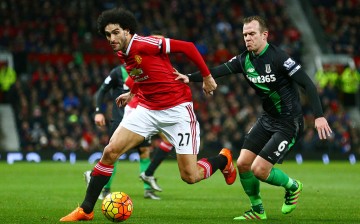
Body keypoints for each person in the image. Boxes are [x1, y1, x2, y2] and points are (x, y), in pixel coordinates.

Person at [60, 7, 236, 222]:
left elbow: (188, 47)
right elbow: (143, 72)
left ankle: (223, 160)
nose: (112, 38)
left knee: (190, 176)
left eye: (116, 32)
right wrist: (131, 92)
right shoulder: (121, 51)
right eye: (107, 35)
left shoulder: (145, 43)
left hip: (177, 110)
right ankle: (86, 210)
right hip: (146, 108)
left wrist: (207, 77)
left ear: (127, 30)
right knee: (110, 151)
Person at [176, 15, 332, 220]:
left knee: (259, 169)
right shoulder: (244, 60)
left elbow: (308, 84)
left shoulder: (280, 58)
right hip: (267, 119)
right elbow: (217, 71)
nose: (247, 38)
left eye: (251, 34)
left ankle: (293, 187)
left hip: (288, 123)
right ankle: (258, 211)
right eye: (244, 35)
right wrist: (191, 77)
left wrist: (319, 116)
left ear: (264, 35)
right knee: (242, 164)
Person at [83, 64, 162, 200]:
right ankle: (102, 185)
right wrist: (98, 112)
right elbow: (102, 91)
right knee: (114, 154)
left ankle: (148, 190)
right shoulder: (118, 72)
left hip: (141, 119)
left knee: (145, 152)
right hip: (121, 120)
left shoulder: (143, 70)